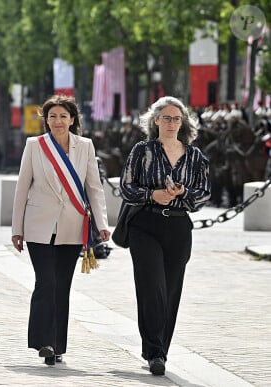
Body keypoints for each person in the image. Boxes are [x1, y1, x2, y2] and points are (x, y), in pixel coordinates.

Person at [11, 95, 110, 366]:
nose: (58, 121)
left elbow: (94, 187)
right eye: (52, 116)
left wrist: (102, 224)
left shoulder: (85, 146)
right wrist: (16, 228)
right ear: (46, 120)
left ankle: (57, 344)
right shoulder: (35, 145)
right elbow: (22, 188)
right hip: (37, 224)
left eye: (63, 116)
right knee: (46, 281)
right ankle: (43, 341)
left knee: (62, 285)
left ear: (73, 119)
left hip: (72, 224)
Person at [119, 96, 210, 376]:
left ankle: (160, 349)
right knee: (152, 289)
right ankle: (154, 352)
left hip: (178, 228)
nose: (172, 123)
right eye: (166, 117)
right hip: (144, 226)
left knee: (170, 292)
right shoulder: (142, 151)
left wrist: (183, 194)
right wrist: (152, 194)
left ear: (183, 123)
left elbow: (204, 193)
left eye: (177, 118)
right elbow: (126, 187)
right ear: (155, 120)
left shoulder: (195, 156)